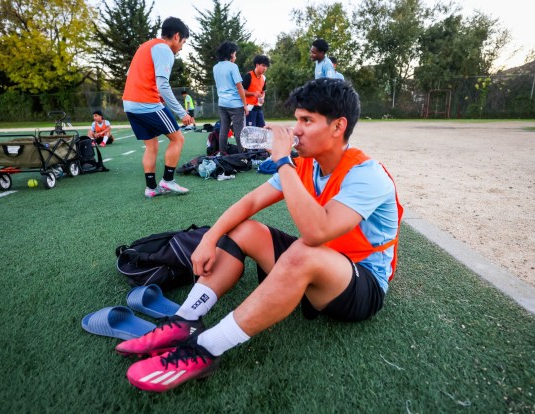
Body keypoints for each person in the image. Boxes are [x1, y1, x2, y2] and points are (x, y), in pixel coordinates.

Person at [116, 78, 404, 392]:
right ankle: (185, 320)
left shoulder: (367, 174)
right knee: (243, 228)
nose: (295, 130)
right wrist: (210, 239)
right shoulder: (307, 165)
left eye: (307, 121)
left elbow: (316, 232)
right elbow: (249, 203)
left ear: (338, 127)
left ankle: (206, 349)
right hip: (321, 265)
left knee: (303, 251)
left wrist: (282, 161)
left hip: (362, 285)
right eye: (297, 120)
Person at [123, 17, 195, 199]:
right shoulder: (164, 49)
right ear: (177, 36)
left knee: (151, 145)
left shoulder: (145, 46)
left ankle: (151, 188)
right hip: (146, 103)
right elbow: (162, 85)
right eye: (183, 42)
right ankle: (168, 181)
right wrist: (182, 113)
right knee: (178, 139)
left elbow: (133, 75)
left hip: (130, 104)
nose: (181, 47)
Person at [213, 41, 248, 153]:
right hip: (235, 104)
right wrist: (245, 105)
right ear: (231, 54)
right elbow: (239, 86)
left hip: (222, 103)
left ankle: (222, 154)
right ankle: (242, 155)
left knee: (223, 130)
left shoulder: (215, 67)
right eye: (235, 54)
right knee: (239, 131)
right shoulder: (233, 66)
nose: (235, 57)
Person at [242, 55, 270, 128]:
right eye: (263, 65)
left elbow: (263, 91)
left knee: (262, 129)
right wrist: (253, 94)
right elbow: (241, 91)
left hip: (258, 107)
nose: (265, 68)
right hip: (249, 107)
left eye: (266, 66)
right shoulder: (248, 76)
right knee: (251, 130)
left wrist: (262, 98)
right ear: (257, 65)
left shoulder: (264, 78)